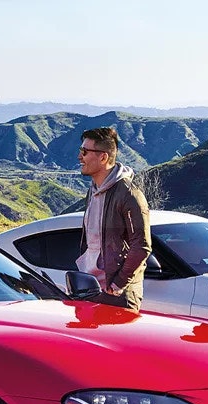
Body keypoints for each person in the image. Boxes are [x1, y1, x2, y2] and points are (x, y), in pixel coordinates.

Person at [75, 126, 151, 311]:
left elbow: (141, 246)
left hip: (118, 295)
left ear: (103, 157)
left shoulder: (129, 195)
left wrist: (117, 285)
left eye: (84, 152)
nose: (80, 157)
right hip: (90, 289)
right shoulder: (92, 191)